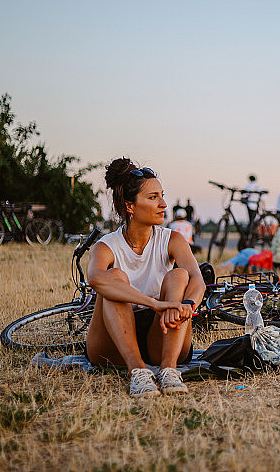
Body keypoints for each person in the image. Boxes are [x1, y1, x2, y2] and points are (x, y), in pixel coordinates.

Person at [85, 159, 206, 397]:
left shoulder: (172, 239)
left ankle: (169, 370)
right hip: (112, 341)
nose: (163, 204)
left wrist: (186, 306)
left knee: (179, 275)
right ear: (130, 206)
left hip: (160, 332)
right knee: (114, 278)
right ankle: (138, 372)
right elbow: (95, 278)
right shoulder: (106, 245)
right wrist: (154, 303)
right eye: (153, 197)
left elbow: (197, 281)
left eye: (162, 196)